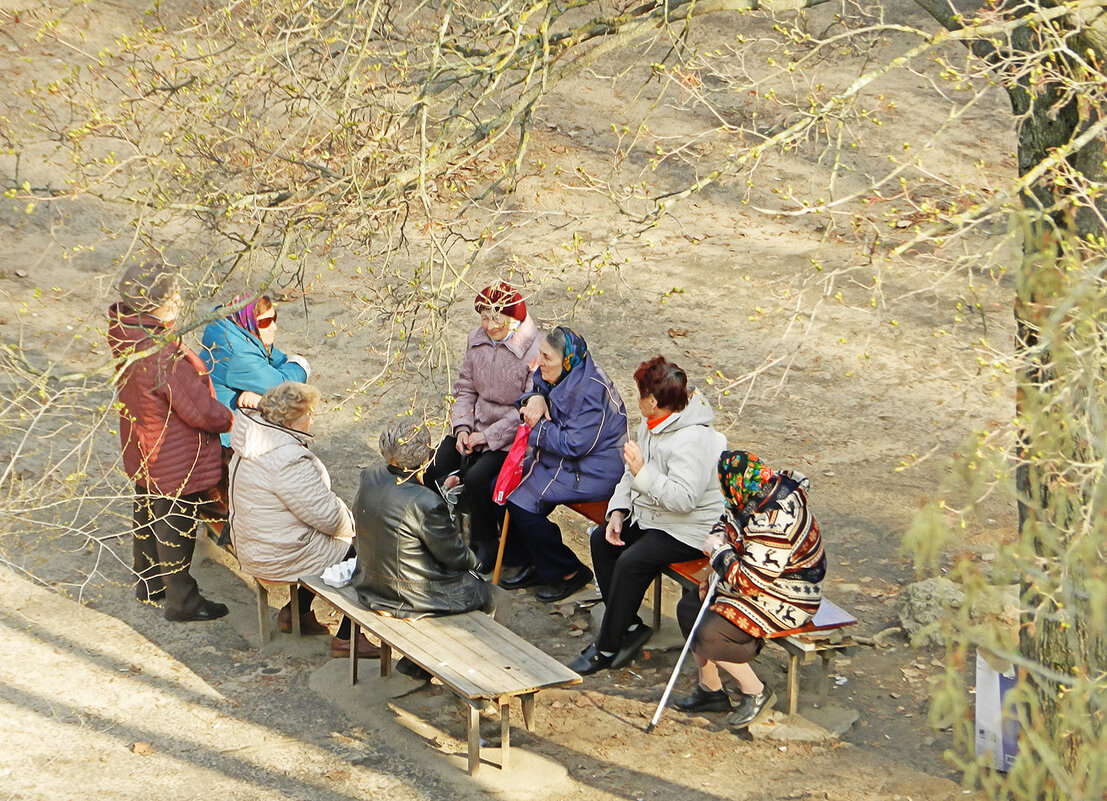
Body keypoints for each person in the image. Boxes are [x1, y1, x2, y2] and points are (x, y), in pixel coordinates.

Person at [569, 356, 726, 674]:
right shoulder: (652, 422)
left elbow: (683, 500)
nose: (636, 398)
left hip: (692, 530)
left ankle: (607, 646)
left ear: (653, 401)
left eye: (639, 393)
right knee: (603, 539)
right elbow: (632, 472)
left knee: (632, 561)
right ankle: (628, 627)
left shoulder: (692, 440)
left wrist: (643, 473)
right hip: (655, 517)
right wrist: (618, 510)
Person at [107, 256, 233, 622]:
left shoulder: (126, 332)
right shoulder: (161, 354)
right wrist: (229, 419)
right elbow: (199, 410)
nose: (180, 302)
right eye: (175, 296)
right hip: (172, 451)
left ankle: (149, 583)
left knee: (147, 509)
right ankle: (183, 602)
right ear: (159, 303)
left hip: (141, 441)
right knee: (175, 520)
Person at [673, 450, 826, 729]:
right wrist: (719, 535)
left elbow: (751, 581)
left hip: (789, 597)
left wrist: (719, 553)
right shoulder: (752, 491)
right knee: (689, 608)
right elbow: (728, 517)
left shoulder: (774, 520)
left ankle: (755, 691)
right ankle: (711, 690)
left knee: (708, 634)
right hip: (758, 584)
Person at [227, 381, 377, 658]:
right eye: (308, 414)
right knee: (365, 552)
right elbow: (329, 518)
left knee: (322, 542)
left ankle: (294, 613)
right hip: (274, 552)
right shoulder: (286, 459)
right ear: (292, 420)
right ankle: (349, 637)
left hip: (253, 541)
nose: (312, 419)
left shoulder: (251, 441)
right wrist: (353, 524)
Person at [500, 326, 628, 602]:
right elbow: (537, 389)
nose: (540, 362)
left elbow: (575, 445)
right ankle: (533, 562)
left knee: (521, 504)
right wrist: (534, 398)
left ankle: (569, 571)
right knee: (502, 489)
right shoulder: (559, 373)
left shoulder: (593, 392)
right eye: (541, 354)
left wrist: (536, 427)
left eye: (547, 358)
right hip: (562, 460)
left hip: (593, 470)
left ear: (567, 360)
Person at [422, 283, 541, 569]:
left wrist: (486, 437)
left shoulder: (534, 351)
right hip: (475, 426)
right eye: (484, 317)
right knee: (432, 467)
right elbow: (465, 389)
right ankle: (441, 531)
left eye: (496, 319)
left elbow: (527, 409)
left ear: (514, 319)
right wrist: (462, 428)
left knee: (478, 481)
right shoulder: (476, 339)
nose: (488, 325)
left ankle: (484, 541)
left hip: (510, 438)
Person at [345, 419, 495, 620]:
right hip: (408, 595)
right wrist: (475, 562)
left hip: (369, 579)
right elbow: (455, 556)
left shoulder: (369, 477)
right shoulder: (426, 502)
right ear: (426, 457)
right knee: (489, 594)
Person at [200, 294, 310, 447]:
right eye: (265, 322)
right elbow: (283, 385)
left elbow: (280, 362)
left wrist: (260, 393)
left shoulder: (240, 332)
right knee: (295, 413)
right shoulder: (238, 353)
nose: (274, 327)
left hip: (231, 429)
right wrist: (301, 364)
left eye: (274, 318)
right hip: (227, 442)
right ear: (249, 321)